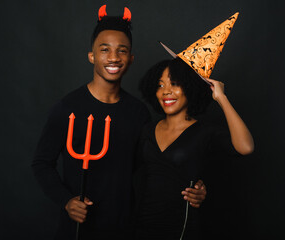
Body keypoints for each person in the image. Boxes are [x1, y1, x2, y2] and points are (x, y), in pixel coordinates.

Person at [32, 6, 206, 240]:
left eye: (122, 51)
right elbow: (42, 163)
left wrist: (194, 187)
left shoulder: (138, 113)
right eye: (105, 50)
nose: (114, 57)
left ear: (131, 58)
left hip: (126, 228)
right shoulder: (67, 108)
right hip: (77, 229)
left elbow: (153, 167)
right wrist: (66, 201)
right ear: (91, 56)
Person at [133, 58, 254, 239]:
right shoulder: (147, 130)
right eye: (160, 85)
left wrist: (221, 98)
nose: (166, 91)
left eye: (174, 84)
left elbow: (246, 147)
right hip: (142, 228)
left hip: (181, 228)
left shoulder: (205, 132)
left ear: (190, 87)